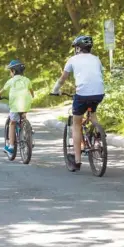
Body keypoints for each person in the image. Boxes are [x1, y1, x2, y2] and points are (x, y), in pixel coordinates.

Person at [52, 36, 105, 171]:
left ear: (78, 48)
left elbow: (63, 78)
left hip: (82, 95)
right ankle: (98, 136)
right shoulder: (96, 59)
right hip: (99, 93)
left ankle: (77, 160)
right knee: (92, 113)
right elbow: (99, 75)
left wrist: (55, 90)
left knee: (76, 124)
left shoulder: (73, 60)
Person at [0, 60, 34, 156]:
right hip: (26, 104)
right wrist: (31, 97)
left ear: (14, 71)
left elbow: (1, 91)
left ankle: (11, 146)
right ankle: (28, 133)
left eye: (10, 71)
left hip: (15, 105)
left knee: (12, 123)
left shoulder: (11, 81)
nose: (10, 73)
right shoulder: (27, 80)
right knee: (23, 117)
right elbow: (32, 92)